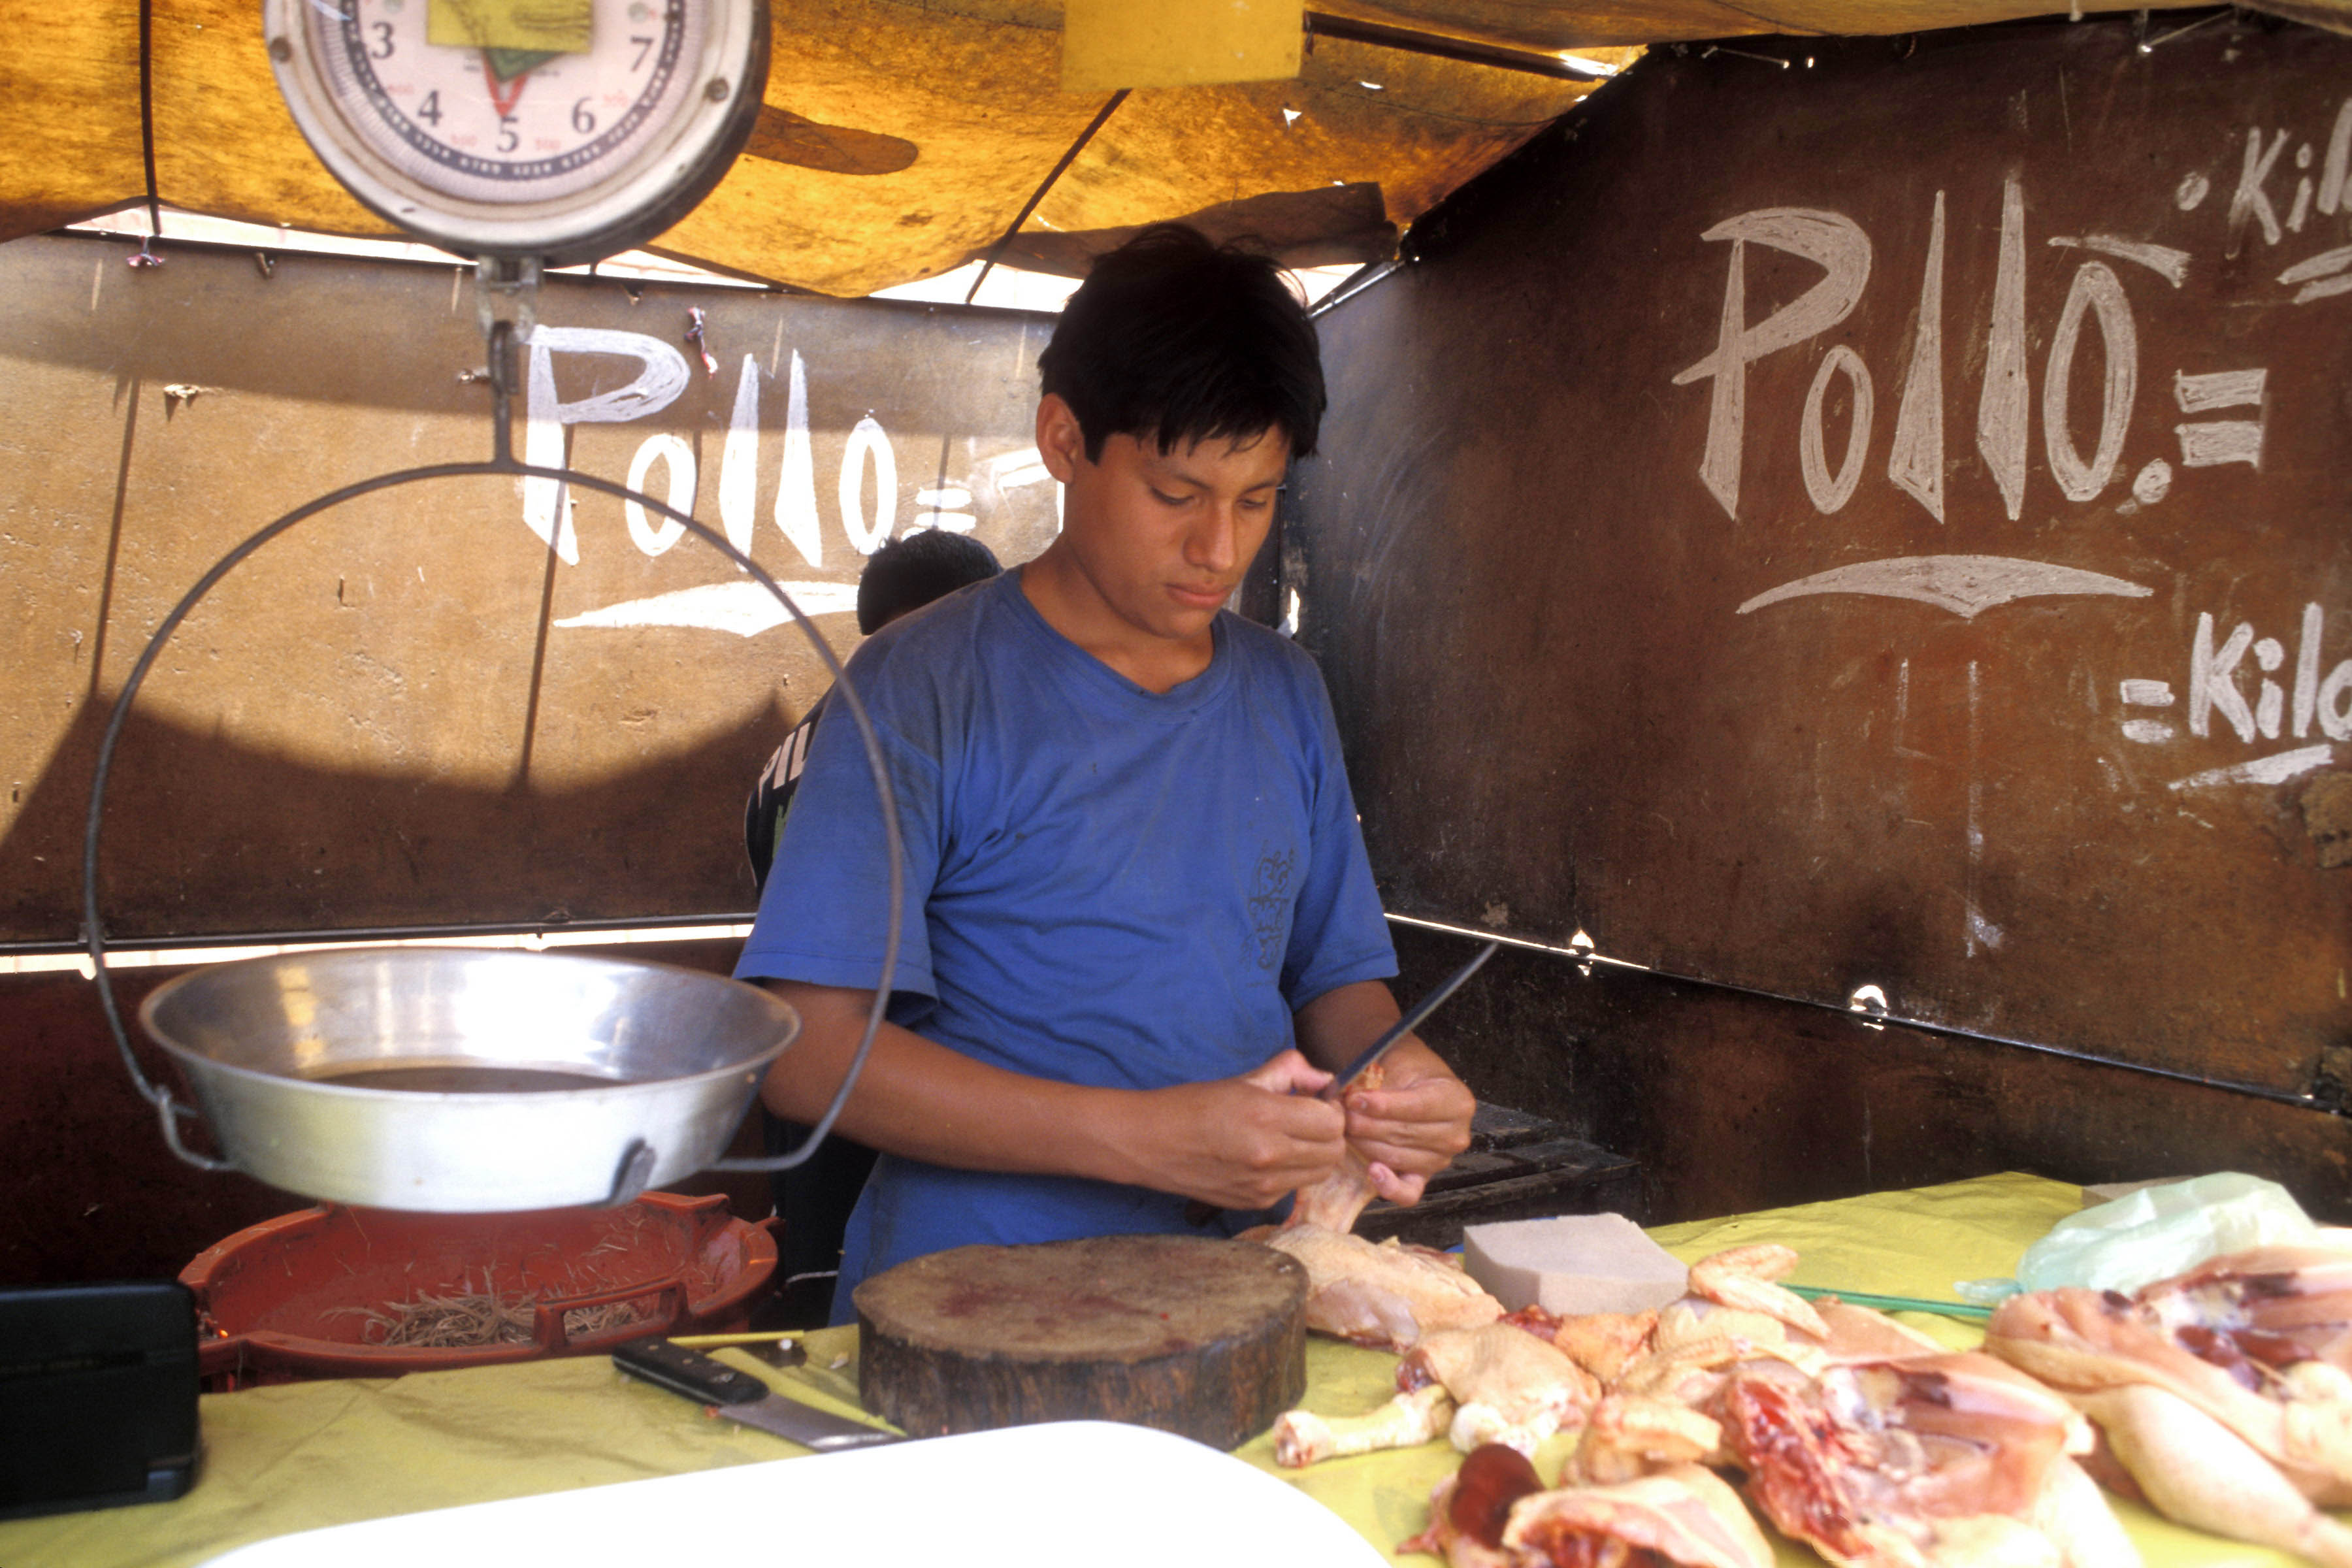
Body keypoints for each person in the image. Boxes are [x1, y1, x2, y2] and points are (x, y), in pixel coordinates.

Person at [734, 224, 1475, 1323]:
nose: (1219, 549)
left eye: (1259, 498)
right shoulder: (921, 686)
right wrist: (1149, 1141)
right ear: (1065, 438)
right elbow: (803, 1053)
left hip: (1247, 1284)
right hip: (973, 1304)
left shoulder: (1284, 689)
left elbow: (1335, 984)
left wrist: (1406, 1079)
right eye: (1178, 494)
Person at [743, 527, 1003, 1328]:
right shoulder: (915, 732)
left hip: (814, 1096)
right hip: (894, 1088)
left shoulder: (784, 753)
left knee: (824, 1302)